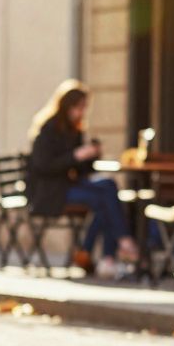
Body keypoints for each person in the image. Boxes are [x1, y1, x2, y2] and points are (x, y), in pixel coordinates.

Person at [26, 80, 135, 279]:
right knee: (106, 200)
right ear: (67, 106)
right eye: (79, 107)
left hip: (69, 186)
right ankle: (117, 246)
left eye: (84, 108)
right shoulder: (48, 129)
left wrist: (91, 155)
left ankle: (93, 252)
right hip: (50, 192)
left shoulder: (75, 130)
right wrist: (75, 156)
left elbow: (82, 172)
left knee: (109, 188)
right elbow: (44, 166)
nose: (82, 112)